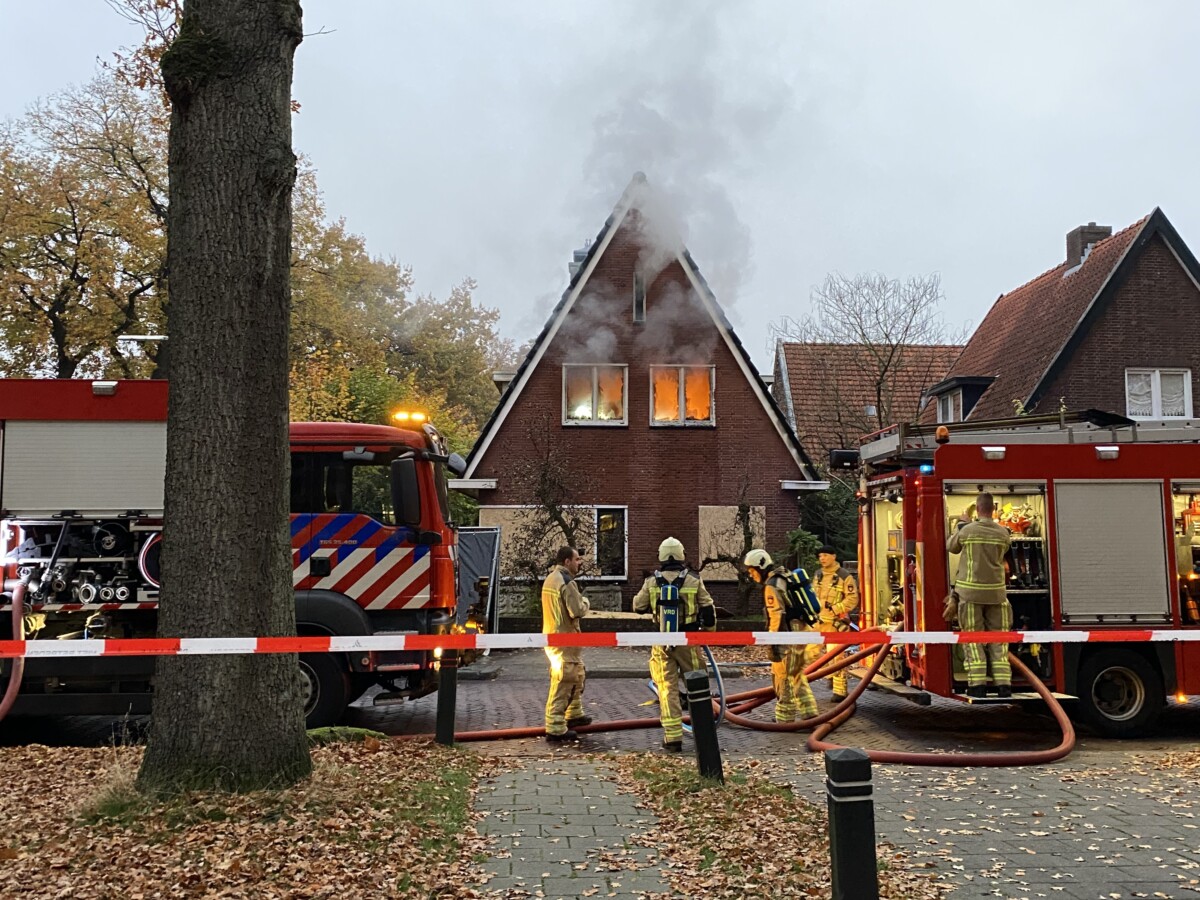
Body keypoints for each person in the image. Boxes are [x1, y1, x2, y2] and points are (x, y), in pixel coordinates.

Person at [632, 537, 717, 751]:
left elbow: (637, 606)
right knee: (697, 685)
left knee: (667, 687)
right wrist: (708, 634)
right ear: (682, 555)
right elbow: (708, 611)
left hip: (662, 643)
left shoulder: (652, 581)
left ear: (661, 556)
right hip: (689, 641)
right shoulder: (694, 580)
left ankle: (672, 737)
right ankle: (704, 734)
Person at [947, 492, 1013, 698]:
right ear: (993, 509)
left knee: (973, 638)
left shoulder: (967, 530)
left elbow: (951, 547)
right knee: (999, 639)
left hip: (970, 594)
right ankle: (1004, 685)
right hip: (997, 595)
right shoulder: (1003, 533)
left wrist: (961, 525)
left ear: (977, 508)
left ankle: (977, 685)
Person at [743, 548, 818, 722]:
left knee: (783, 676)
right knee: (796, 673)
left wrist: (772, 642)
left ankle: (784, 719)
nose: (751, 575)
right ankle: (809, 712)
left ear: (761, 567)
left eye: (752, 571)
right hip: (801, 631)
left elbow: (777, 615)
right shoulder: (785, 576)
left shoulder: (772, 585)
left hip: (787, 635)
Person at [542, 546, 591, 742]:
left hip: (555, 638)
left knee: (577, 675)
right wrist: (585, 602)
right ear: (567, 561)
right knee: (564, 680)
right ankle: (555, 727)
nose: (580, 563)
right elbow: (577, 611)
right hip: (565, 641)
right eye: (577, 559)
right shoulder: (566, 582)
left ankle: (574, 713)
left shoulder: (550, 579)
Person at [806, 545, 860, 702]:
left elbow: (852, 599)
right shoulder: (818, 575)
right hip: (817, 623)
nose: (822, 558)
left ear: (834, 556)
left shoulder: (844, 576)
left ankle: (840, 692)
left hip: (835, 625)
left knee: (836, 658)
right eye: (820, 556)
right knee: (809, 654)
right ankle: (827, 674)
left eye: (825, 555)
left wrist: (836, 609)